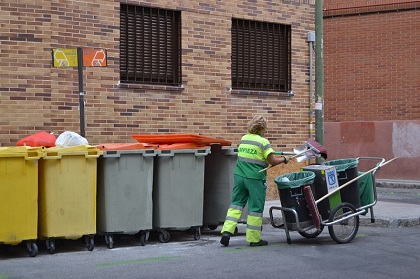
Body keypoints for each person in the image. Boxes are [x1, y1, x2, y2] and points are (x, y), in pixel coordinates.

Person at [220, 115, 289, 247]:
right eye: (265, 129)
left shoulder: (244, 139)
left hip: (239, 176)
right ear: (262, 128)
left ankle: (227, 232)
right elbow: (272, 161)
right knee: (255, 209)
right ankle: (254, 239)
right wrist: (284, 159)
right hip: (255, 179)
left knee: (236, 204)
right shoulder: (263, 142)